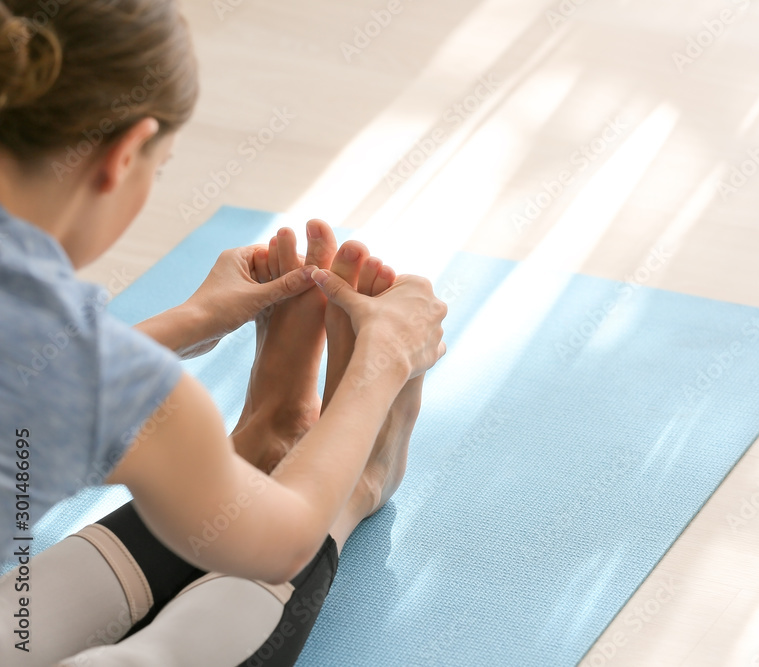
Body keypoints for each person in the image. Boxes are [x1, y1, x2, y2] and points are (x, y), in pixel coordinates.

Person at [0, 0, 446, 664]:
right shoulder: (83, 365)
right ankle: (347, 484)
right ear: (124, 155)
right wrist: (381, 361)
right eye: (164, 163)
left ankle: (252, 450)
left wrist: (190, 320)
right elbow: (283, 541)